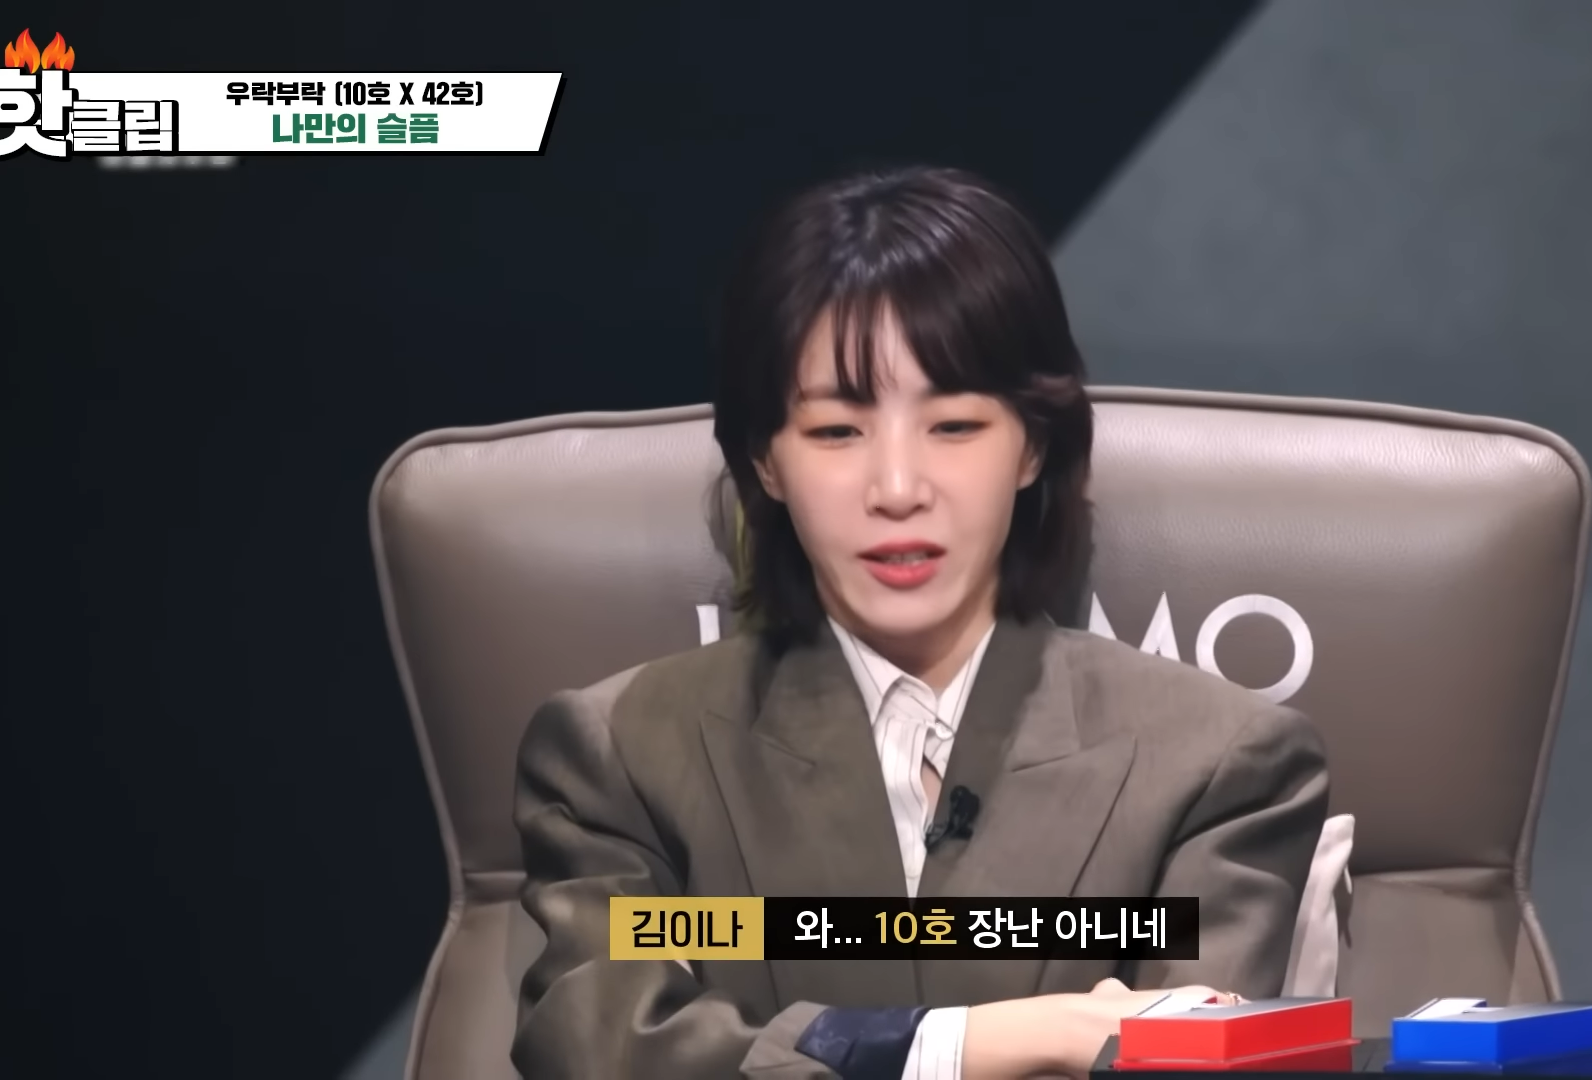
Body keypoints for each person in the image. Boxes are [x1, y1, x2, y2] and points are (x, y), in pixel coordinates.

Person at [510, 165, 1331, 1080]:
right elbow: (606, 1053)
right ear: (765, 462)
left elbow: (1186, 1061)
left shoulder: (1219, 766)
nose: (897, 489)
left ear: (1033, 445)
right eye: (836, 432)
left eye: (953, 426)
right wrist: (1005, 1039)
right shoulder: (621, 756)